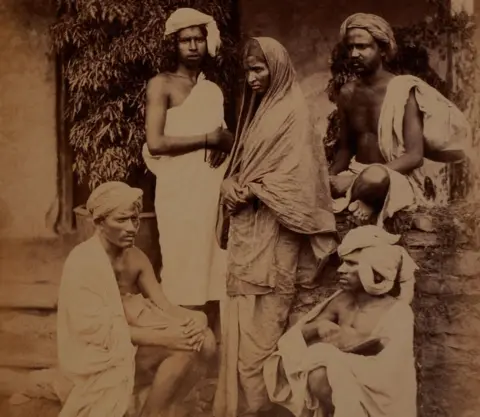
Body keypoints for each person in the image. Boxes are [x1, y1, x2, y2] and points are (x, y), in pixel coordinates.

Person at [213, 37, 338, 417]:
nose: (251, 77)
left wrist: (251, 190)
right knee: (243, 336)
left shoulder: (294, 112)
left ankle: (259, 409)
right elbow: (240, 166)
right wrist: (228, 184)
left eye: (259, 69)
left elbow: (301, 180)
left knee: (262, 340)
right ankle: (248, 408)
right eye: (248, 70)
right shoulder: (258, 110)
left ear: (277, 67)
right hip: (247, 235)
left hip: (277, 236)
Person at [57, 181, 216, 417]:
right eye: (121, 220)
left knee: (207, 339)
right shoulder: (82, 263)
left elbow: (165, 306)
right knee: (182, 349)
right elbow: (95, 331)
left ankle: (161, 404)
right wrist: (166, 338)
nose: (132, 227)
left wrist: (197, 317)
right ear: (99, 222)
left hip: (133, 340)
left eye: (135, 219)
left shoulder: (136, 257)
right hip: (97, 352)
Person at [264, 225, 418, 417]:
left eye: (352, 264)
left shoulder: (397, 312)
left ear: (375, 271)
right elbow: (294, 338)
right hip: (341, 380)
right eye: (343, 262)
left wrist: (338, 358)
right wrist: (319, 328)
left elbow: (391, 374)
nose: (341, 270)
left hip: (376, 394)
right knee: (299, 367)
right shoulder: (341, 301)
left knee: (321, 370)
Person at [143, 8, 234, 310]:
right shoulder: (162, 84)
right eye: (185, 40)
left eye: (198, 39)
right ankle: (181, 331)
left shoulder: (212, 91)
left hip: (210, 185)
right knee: (180, 257)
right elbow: (155, 143)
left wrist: (224, 142)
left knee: (211, 259)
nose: (193, 46)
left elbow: (225, 138)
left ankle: (211, 339)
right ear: (175, 45)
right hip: (177, 187)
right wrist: (210, 139)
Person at [329, 13, 451, 227]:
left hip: (393, 177)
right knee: (311, 182)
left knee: (374, 178)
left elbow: (414, 157)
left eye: (363, 47)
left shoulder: (403, 91)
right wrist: (330, 177)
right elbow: (346, 148)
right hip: (357, 172)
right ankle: (363, 199)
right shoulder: (347, 93)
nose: (355, 54)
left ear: (383, 50)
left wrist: (357, 180)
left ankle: (362, 198)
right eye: (350, 48)